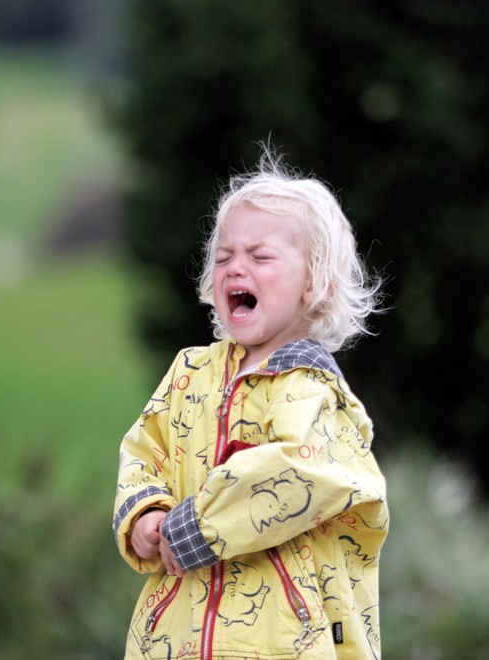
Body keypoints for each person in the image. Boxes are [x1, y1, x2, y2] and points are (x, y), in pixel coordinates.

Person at [113, 147, 388, 659]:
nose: (236, 267)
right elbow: (143, 450)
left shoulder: (312, 390)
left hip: (283, 641)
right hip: (176, 635)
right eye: (223, 257)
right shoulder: (189, 373)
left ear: (316, 283)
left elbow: (295, 472)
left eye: (260, 257)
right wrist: (146, 514)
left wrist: (193, 527)